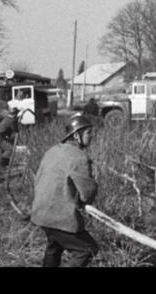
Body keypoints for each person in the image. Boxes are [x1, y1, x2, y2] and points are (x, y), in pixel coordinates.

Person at [29, 114, 99, 267]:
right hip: (59, 217)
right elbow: (87, 193)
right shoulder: (79, 157)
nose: (92, 136)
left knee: (55, 245)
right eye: (88, 133)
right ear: (76, 135)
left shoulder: (52, 151)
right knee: (87, 249)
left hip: (41, 213)